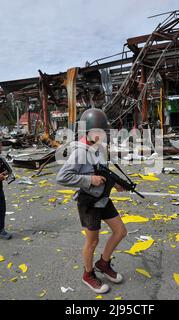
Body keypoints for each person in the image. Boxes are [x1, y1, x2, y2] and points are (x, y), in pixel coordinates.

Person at [56, 108, 128, 294]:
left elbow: (103, 172)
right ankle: (88, 274)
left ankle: (103, 263)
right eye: (99, 132)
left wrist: (116, 185)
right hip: (89, 201)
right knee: (93, 241)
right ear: (87, 132)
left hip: (103, 197)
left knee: (120, 231)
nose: (102, 135)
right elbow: (62, 177)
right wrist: (89, 180)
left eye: (104, 132)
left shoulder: (100, 149)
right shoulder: (79, 152)